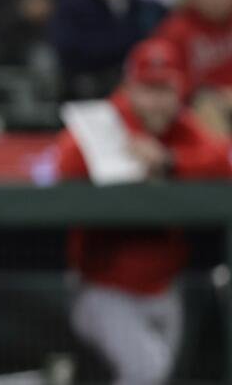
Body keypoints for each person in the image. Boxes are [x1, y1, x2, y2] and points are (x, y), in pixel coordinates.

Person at [55, 38, 232, 385]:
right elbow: (62, 163)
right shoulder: (106, 122)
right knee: (146, 371)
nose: (157, 101)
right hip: (103, 290)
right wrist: (121, 158)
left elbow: (225, 158)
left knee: (157, 373)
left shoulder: (181, 128)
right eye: (148, 89)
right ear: (129, 88)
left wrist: (169, 161)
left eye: (165, 89)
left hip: (165, 288)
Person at [153, 0, 232, 134]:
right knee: (206, 107)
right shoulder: (176, 30)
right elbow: (166, 80)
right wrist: (218, 94)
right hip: (195, 107)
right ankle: (222, 160)